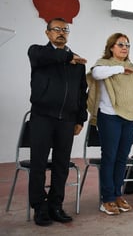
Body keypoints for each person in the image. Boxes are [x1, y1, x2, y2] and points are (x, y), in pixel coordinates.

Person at [28, 17, 87, 226]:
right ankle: (39, 207)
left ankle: (56, 206)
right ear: (47, 33)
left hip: (67, 120)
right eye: (56, 29)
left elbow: (82, 93)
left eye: (65, 29)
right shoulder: (37, 52)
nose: (61, 32)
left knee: (61, 166)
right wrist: (67, 56)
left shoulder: (76, 62)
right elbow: (47, 56)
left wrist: (81, 118)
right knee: (39, 164)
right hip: (42, 117)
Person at [87, 33, 133, 215]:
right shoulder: (104, 64)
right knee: (109, 157)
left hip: (129, 118)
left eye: (127, 44)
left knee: (122, 158)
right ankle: (107, 199)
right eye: (120, 44)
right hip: (109, 116)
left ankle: (117, 195)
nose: (125, 47)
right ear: (111, 46)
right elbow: (95, 74)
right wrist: (119, 69)